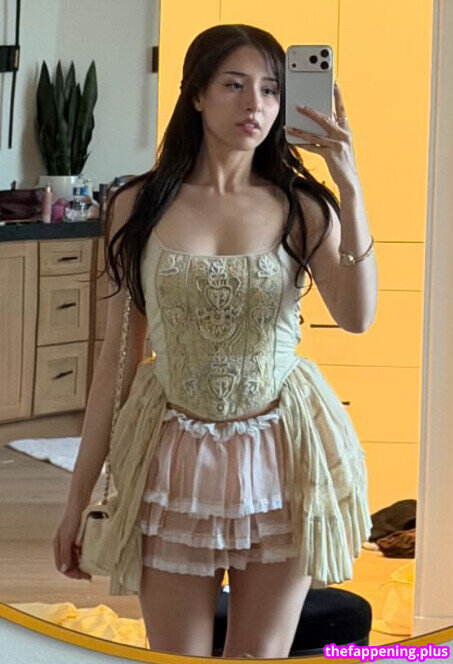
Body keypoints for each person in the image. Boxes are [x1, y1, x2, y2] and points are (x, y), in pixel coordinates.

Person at [53, 24, 376, 659]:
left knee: (258, 656)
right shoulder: (136, 204)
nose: (255, 104)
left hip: (283, 453)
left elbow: (358, 315)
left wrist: (350, 186)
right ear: (197, 95)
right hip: (172, 454)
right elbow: (116, 362)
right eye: (234, 85)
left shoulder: (304, 207)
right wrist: (76, 502)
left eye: (271, 90)